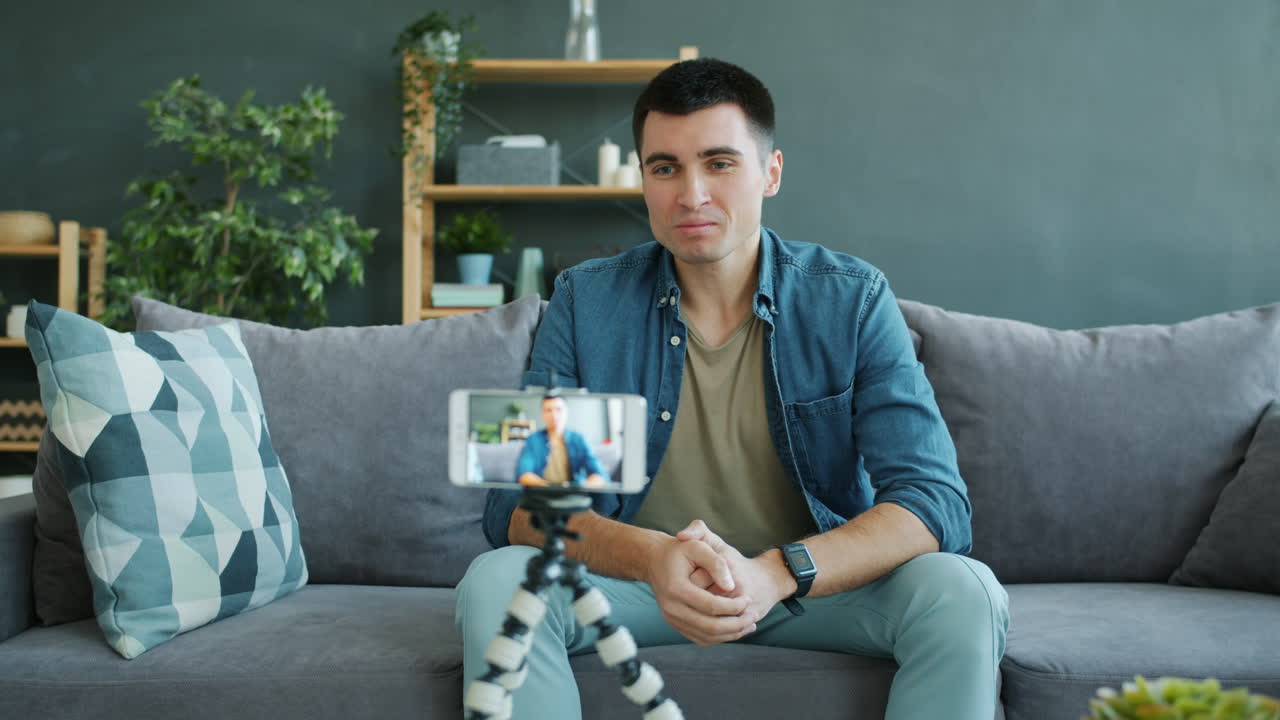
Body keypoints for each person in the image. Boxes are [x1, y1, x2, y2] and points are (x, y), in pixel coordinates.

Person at [455, 58, 1009, 720]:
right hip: (643, 586)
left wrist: (775, 571)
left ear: (770, 173)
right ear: (643, 180)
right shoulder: (583, 297)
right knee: (497, 580)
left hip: (810, 589)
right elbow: (515, 506)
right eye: (665, 168)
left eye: (719, 163)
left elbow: (933, 501)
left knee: (963, 591)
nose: (691, 194)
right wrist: (655, 557)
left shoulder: (853, 298)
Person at [514, 395, 608, 488]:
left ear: (566, 411)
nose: (554, 415)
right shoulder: (533, 439)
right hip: (541, 493)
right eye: (548, 410)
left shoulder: (578, 439)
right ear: (542, 414)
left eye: (558, 409)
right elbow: (523, 475)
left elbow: (600, 475)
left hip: (573, 494)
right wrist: (550, 488)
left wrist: (582, 487)